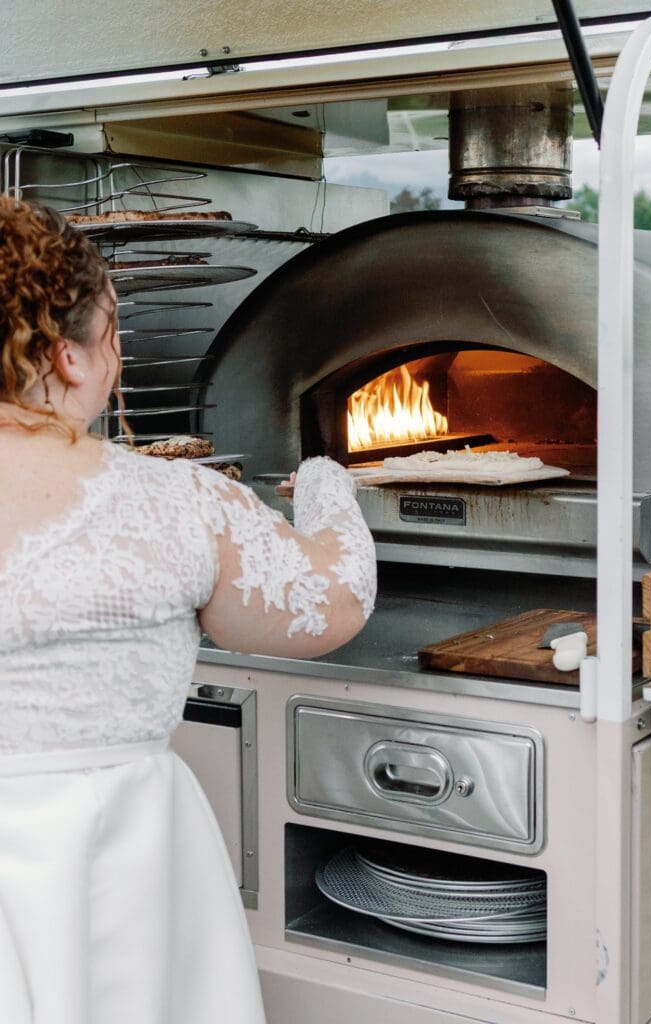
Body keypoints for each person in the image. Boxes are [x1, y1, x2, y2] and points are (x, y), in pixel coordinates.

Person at [0, 196, 377, 1024]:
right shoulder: (172, 503)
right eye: (112, 337)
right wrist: (325, 484)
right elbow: (334, 601)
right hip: (114, 867)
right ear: (68, 356)